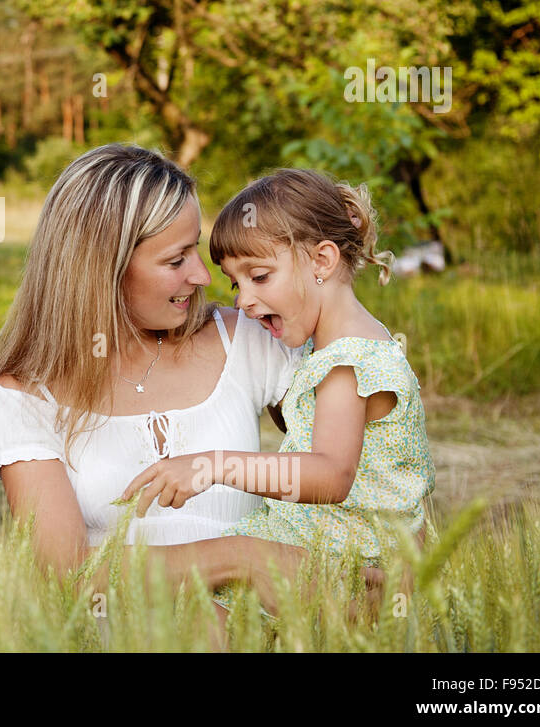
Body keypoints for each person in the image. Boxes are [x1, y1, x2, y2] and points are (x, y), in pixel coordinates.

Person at [0, 145, 309, 595]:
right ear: (100, 269)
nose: (202, 276)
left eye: (195, 250)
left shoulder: (247, 340)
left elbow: (348, 472)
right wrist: (241, 557)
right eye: (176, 260)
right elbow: (69, 574)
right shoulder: (22, 398)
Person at [121, 168, 435, 612]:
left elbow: (330, 477)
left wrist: (212, 466)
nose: (242, 301)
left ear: (322, 262)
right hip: (329, 540)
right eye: (235, 282)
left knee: (196, 604)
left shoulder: (348, 364)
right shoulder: (332, 347)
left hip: (344, 553)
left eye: (260, 276)